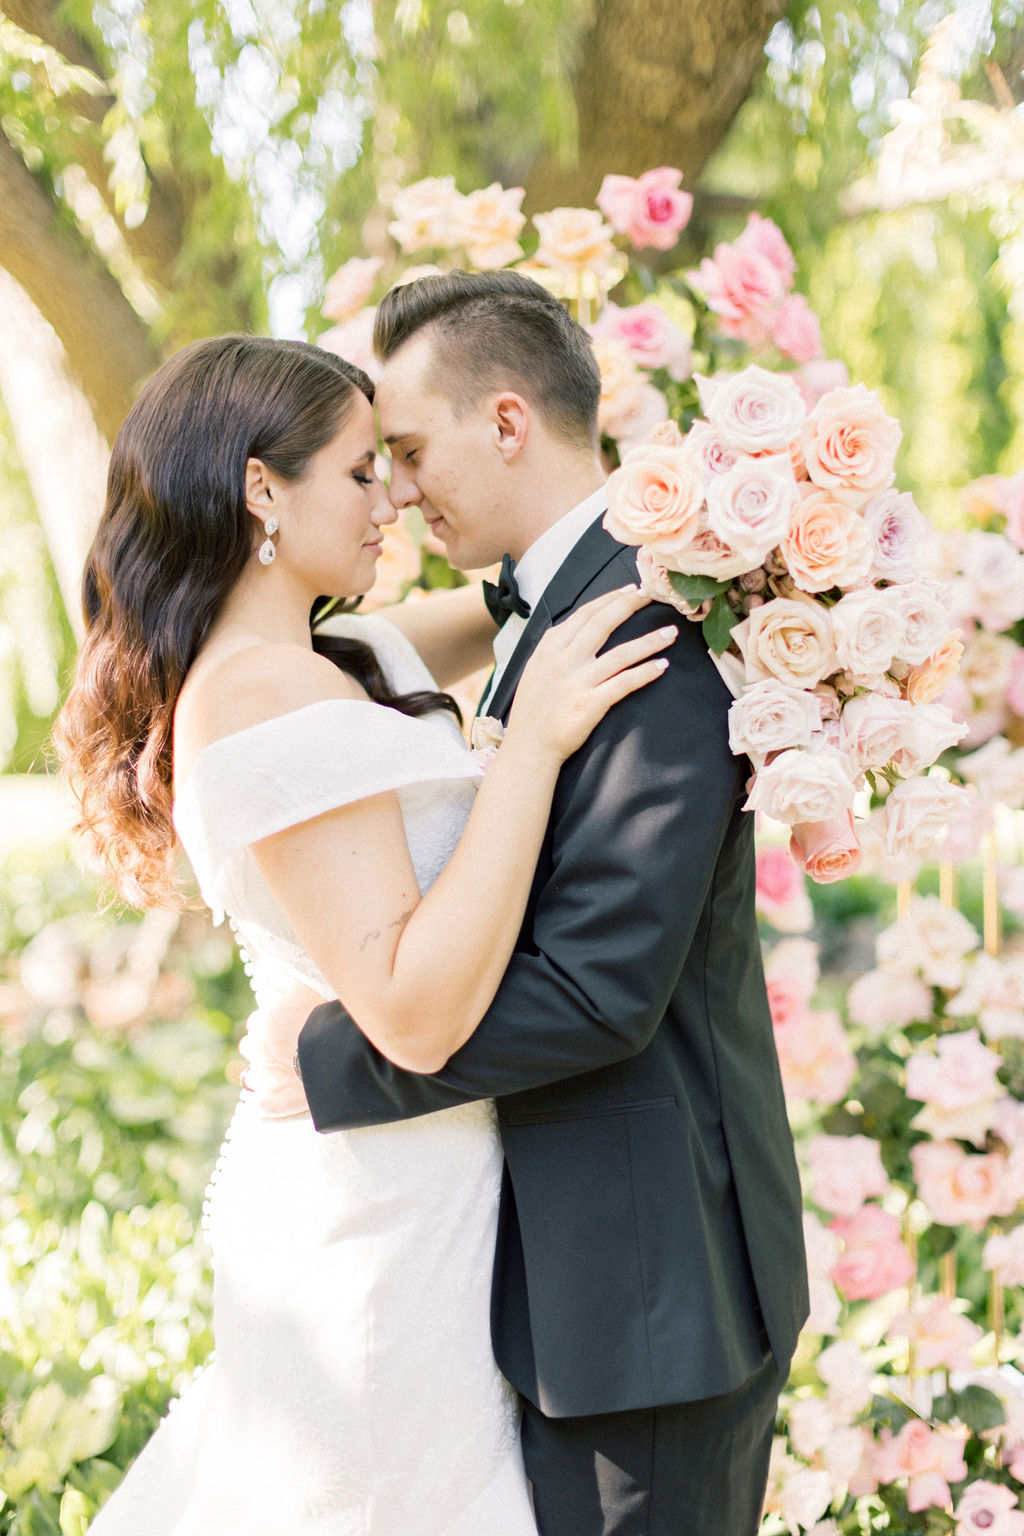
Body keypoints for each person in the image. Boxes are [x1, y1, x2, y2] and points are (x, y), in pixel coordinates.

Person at [54, 331, 675, 1535]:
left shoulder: (340, 657)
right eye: (359, 472)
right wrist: (531, 744)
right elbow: (412, 1009)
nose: (392, 498)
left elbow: (527, 585)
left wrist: (687, 502)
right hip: (374, 1214)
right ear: (258, 491)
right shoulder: (256, 697)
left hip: (435, 1178)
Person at [289, 270, 810, 1536]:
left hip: (649, 1300)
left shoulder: (644, 632)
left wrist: (329, 1062)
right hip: (575, 1274)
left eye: (409, 450)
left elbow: (596, 992)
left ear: (508, 422)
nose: (397, 490)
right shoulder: (548, 605)